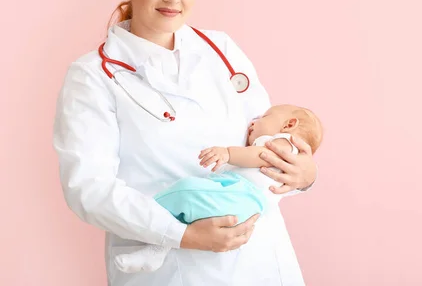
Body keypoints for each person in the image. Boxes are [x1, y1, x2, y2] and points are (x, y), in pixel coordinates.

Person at [53, 0, 318, 286]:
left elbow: (267, 143)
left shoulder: (222, 49)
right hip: (173, 268)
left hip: (261, 260)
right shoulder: (92, 76)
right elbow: (89, 188)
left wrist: (303, 175)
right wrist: (182, 235)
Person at [113, 104, 323, 273]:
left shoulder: (285, 143)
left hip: (244, 197)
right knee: (185, 209)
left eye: (264, 117)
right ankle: (157, 249)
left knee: (186, 192)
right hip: (238, 194)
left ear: (289, 124)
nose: (254, 121)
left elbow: (261, 156)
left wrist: (228, 153)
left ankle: (152, 230)